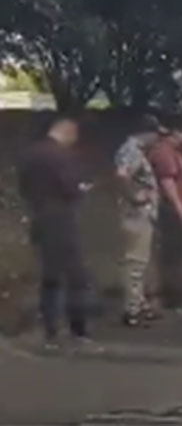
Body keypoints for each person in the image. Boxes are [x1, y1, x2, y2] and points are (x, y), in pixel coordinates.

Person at [17, 114, 99, 352]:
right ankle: (78, 330)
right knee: (75, 276)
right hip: (62, 219)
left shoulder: (30, 154)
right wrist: (83, 188)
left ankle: (50, 329)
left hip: (39, 217)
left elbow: (23, 187)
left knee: (49, 276)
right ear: (68, 131)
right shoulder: (63, 156)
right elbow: (71, 187)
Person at [115, 114, 162, 327]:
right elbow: (122, 176)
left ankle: (139, 303)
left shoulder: (132, 150)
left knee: (140, 262)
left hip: (140, 214)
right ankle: (132, 309)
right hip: (136, 214)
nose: (156, 138)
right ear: (146, 133)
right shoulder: (132, 151)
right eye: (155, 134)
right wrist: (135, 197)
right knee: (135, 262)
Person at [147, 121, 182, 313]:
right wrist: (181, 210)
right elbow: (168, 183)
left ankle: (174, 294)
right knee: (176, 254)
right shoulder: (165, 153)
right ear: (176, 132)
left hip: (174, 209)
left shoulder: (169, 151)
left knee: (174, 254)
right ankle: (176, 296)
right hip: (172, 211)